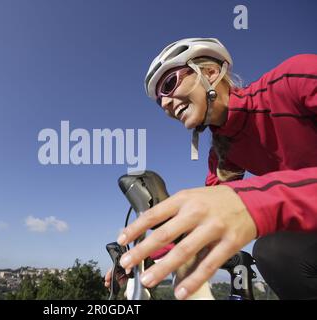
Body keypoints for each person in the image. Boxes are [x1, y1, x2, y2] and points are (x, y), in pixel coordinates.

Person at [105, 38, 317, 300]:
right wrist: (144, 256)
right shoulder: (223, 153)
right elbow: (202, 225)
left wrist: (256, 202)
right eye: (160, 102)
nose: (167, 104)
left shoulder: (294, 79)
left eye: (170, 84)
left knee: (273, 249)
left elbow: (253, 202)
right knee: (276, 252)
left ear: (211, 73)